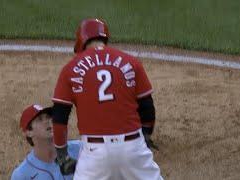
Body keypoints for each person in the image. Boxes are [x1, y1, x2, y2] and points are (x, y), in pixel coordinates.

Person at [51, 18, 163, 180]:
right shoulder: (131, 62)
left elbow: (59, 117)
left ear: (81, 40)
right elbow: (147, 106)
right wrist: (145, 136)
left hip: (95, 154)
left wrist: (62, 154)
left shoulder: (70, 69)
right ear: (105, 38)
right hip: (132, 146)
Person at [11, 104, 81, 180]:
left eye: (48, 117)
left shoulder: (79, 150)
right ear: (28, 132)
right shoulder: (22, 175)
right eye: (40, 119)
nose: (47, 121)